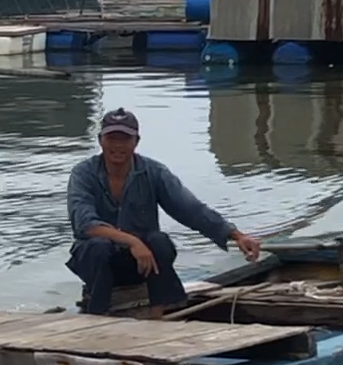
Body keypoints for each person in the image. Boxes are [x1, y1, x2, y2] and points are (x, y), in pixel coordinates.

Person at [67, 109, 262, 317]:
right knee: (98, 245)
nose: (117, 145)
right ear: (100, 140)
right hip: (97, 263)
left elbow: (191, 209)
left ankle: (158, 314)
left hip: (141, 264)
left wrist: (236, 235)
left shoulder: (154, 172)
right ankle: (97, 315)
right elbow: (84, 223)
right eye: (111, 138)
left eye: (125, 139)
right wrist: (133, 242)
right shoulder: (83, 174)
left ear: (136, 141)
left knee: (159, 241)